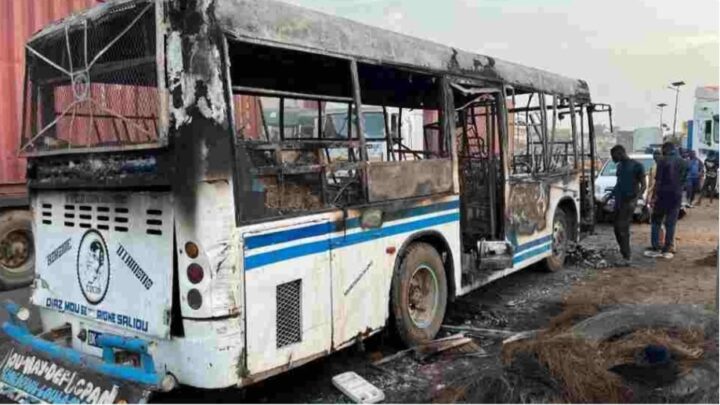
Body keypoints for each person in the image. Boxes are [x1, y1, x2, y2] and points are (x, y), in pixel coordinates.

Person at [646, 142, 687, 259]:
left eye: (662, 150)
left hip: (663, 195)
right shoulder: (683, 162)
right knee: (671, 223)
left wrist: (654, 196)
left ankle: (656, 245)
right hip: (676, 196)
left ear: (666, 149)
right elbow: (683, 181)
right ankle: (668, 246)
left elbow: (658, 181)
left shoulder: (662, 161)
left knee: (656, 221)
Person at [610, 145, 646, 266]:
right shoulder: (619, 166)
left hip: (629, 201)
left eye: (613, 156)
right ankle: (624, 253)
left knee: (622, 228)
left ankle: (627, 257)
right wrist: (608, 197)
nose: (613, 158)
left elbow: (643, 186)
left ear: (620, 153)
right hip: (618, 201)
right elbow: (618, 185)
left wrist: (635, 200)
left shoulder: (637, 166)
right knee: (617, 228)